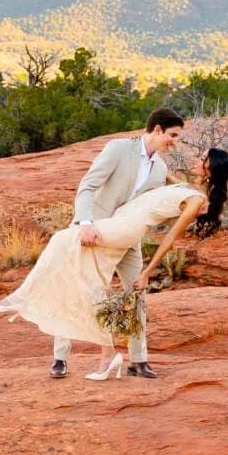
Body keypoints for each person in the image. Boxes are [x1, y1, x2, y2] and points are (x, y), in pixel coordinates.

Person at [0, 146, 228, 381]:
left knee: (61, 240)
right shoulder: (185, 185)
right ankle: (106, 355)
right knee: (85, 281)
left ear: (210, 168)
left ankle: (18, 300)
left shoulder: (197, 202)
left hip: (125, 228)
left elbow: (170, 238)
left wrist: (148, 272)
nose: (196, 159)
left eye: (202, 158)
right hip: (120, 222)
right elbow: (154, 170)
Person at [58, 109, 180, 377]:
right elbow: (88, 185)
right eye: (172, 135)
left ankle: (138, 359)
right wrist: (85, 223)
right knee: (82, 291)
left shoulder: (160, 168)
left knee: (136, 293)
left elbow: (153, 203)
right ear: (157, 130)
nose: (175, 142)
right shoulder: (119, 149)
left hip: (128, 238)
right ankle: (60, 356)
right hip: (96, 232)